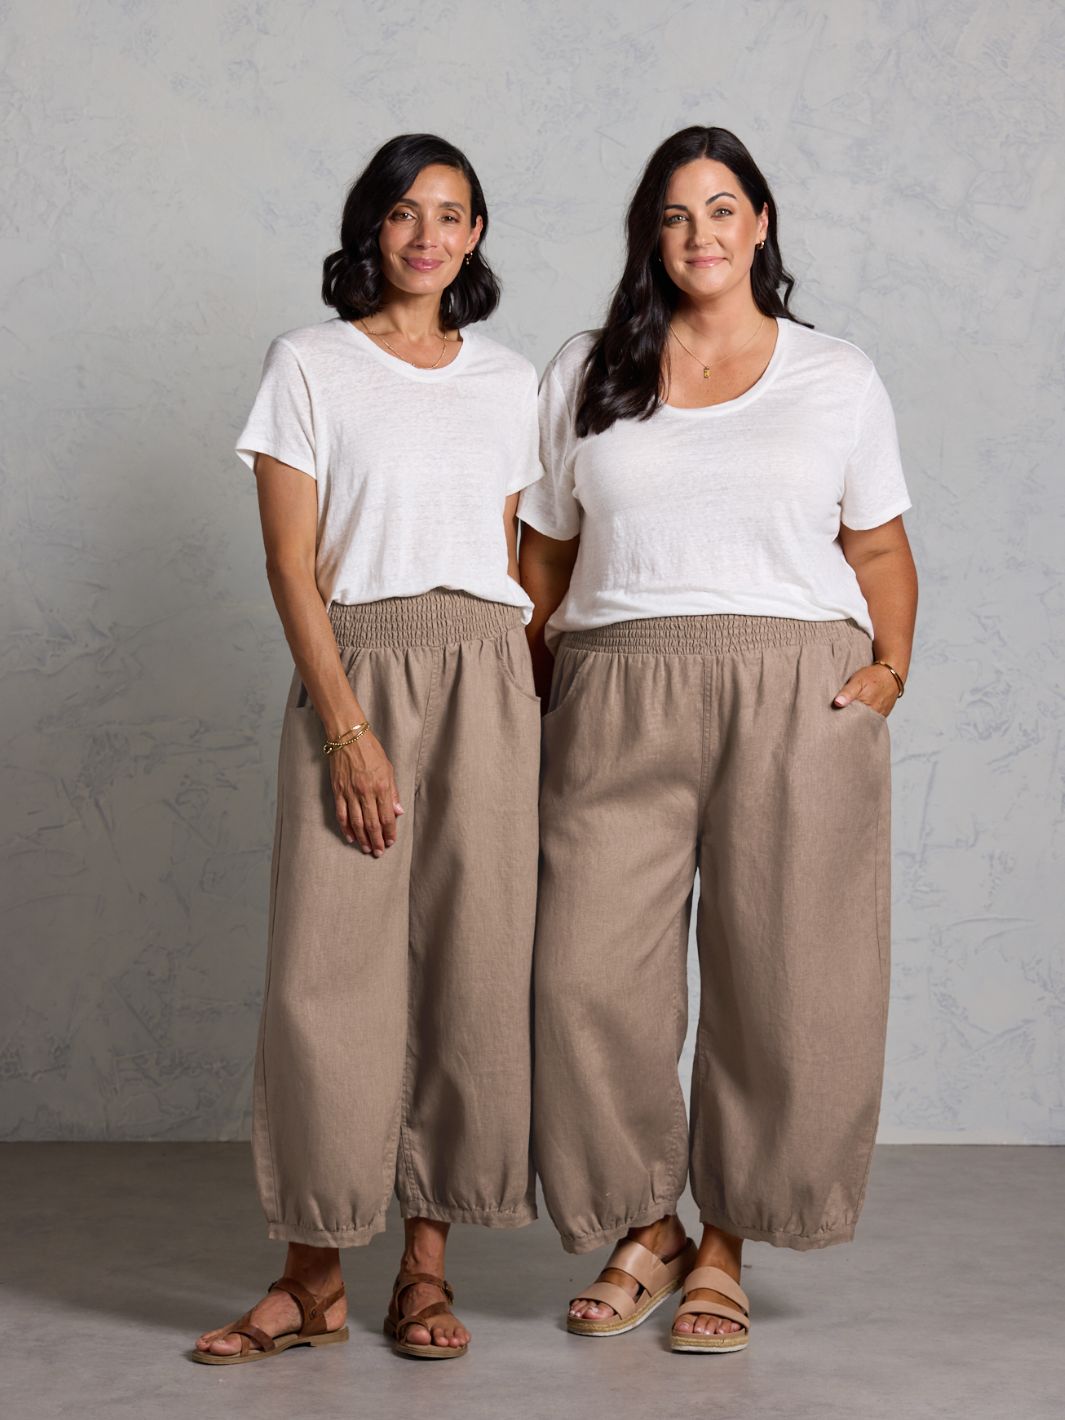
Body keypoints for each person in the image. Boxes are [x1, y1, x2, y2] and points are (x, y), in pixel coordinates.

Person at [519, 125, 917, 1353]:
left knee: (785, 980)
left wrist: (889, 669)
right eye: (678, 214)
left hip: (794, 693)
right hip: (615, 682)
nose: (703, 233)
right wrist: (536, 683)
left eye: (725, 208)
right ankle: (649, 1223)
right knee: (583, 975)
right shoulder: (588, 367)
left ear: (761, 224)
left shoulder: (835, 374)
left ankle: (728, 1242)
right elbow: (542, 551)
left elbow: (881, 548)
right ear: (652, 232)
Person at [193, 133, 542, 1365]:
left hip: (489, 673)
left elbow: (514, 560)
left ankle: (425, 1273)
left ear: (477, 236)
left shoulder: (512, 383)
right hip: (360, 666)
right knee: (328, 976)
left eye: (452, 213)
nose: (427, 234)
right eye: (404, 212)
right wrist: (348, 726)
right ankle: (314, 1273)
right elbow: (292, 564)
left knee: (472, 966)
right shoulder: (309, 364)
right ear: (370, 230)